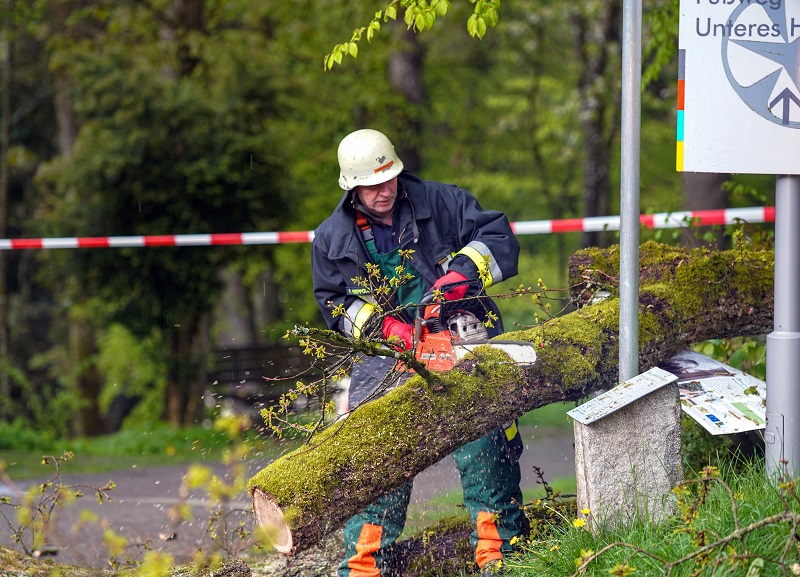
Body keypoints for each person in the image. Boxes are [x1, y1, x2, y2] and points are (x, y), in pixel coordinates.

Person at [311, 128, 527, 576]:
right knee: (376, 446)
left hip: (458, 332)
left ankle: (499, 553)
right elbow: (335, 304)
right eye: (371, 185)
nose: (383, 190)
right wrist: (383, 326)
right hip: (387, 354)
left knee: (483, 433)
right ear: (352, 188)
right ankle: (366, 564)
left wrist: (462, 276)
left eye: (388, 179)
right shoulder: (332, 239)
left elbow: (499, 236)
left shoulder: (443, 202)